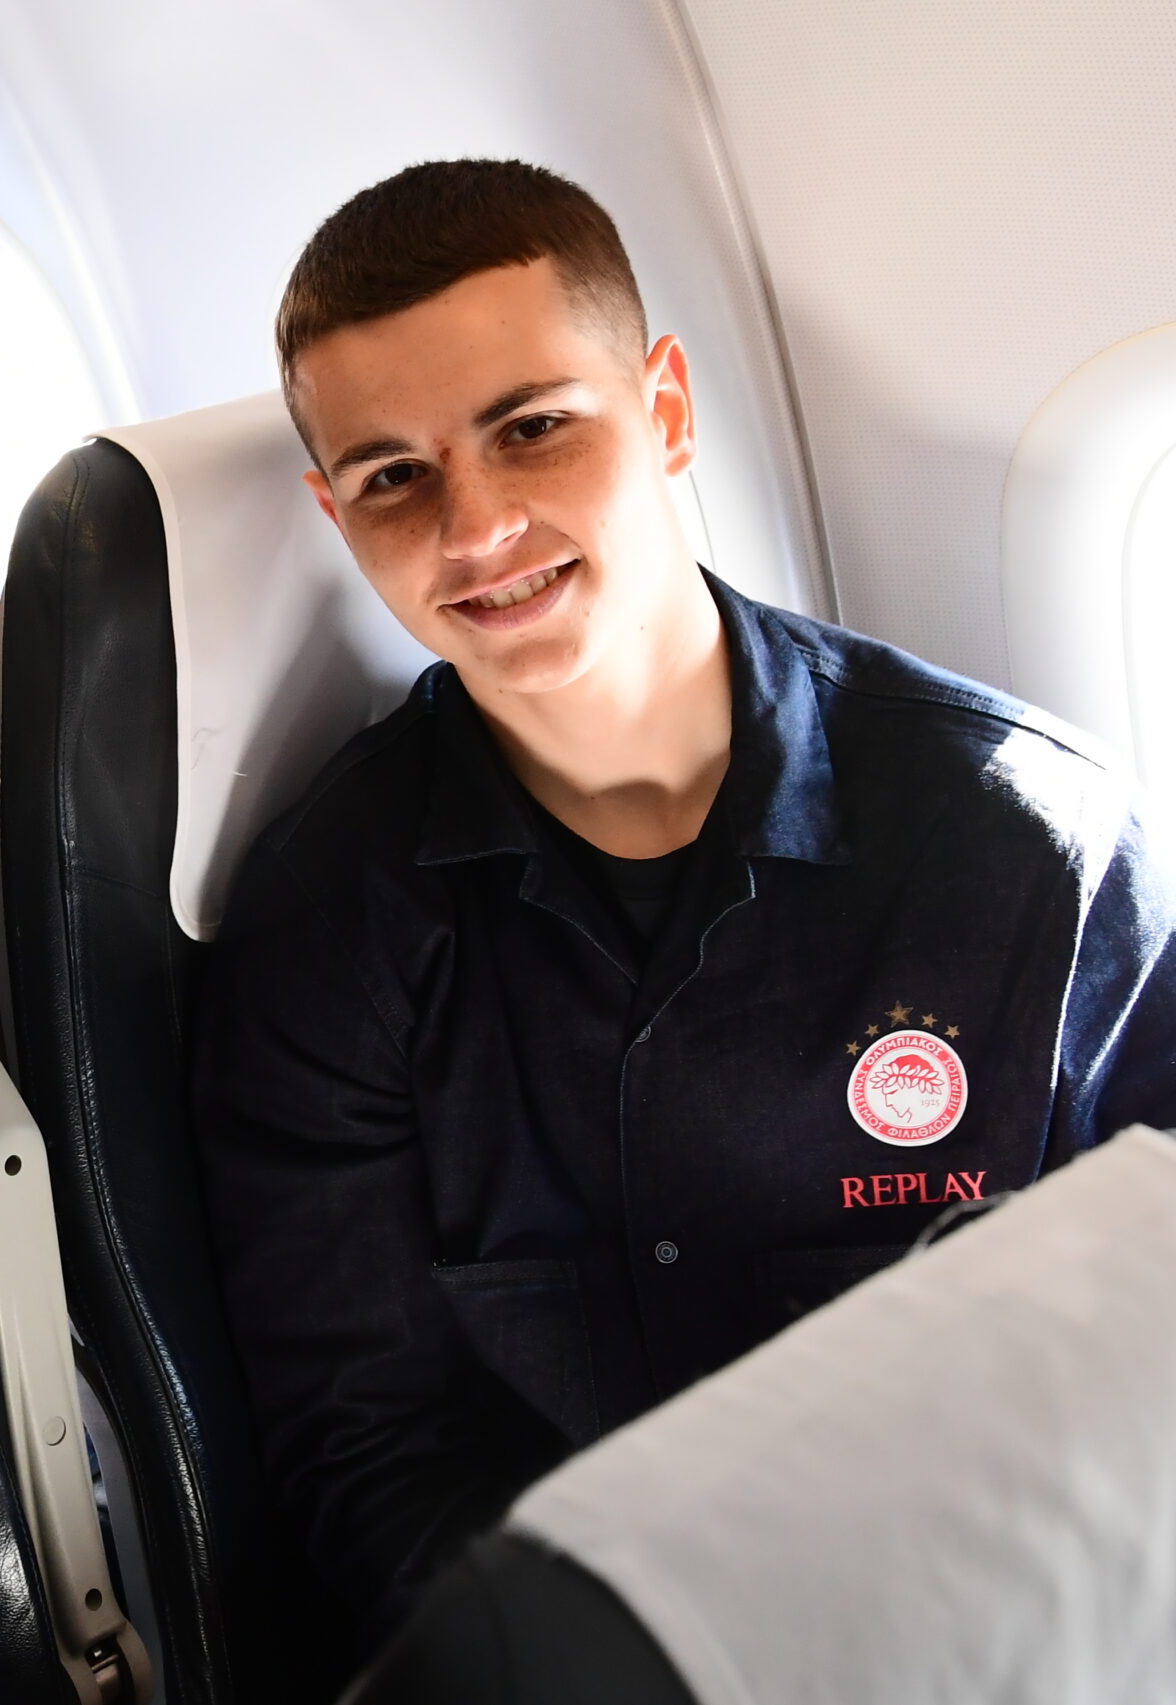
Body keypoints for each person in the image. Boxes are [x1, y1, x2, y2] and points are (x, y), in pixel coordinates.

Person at [194, 158, 1176, 1666]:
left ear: (662, 410)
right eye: (393, 476)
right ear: (334, 511)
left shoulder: (1025, 845)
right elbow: (370, 1450)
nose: (475, 527)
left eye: (533, 427)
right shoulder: (325, 927)